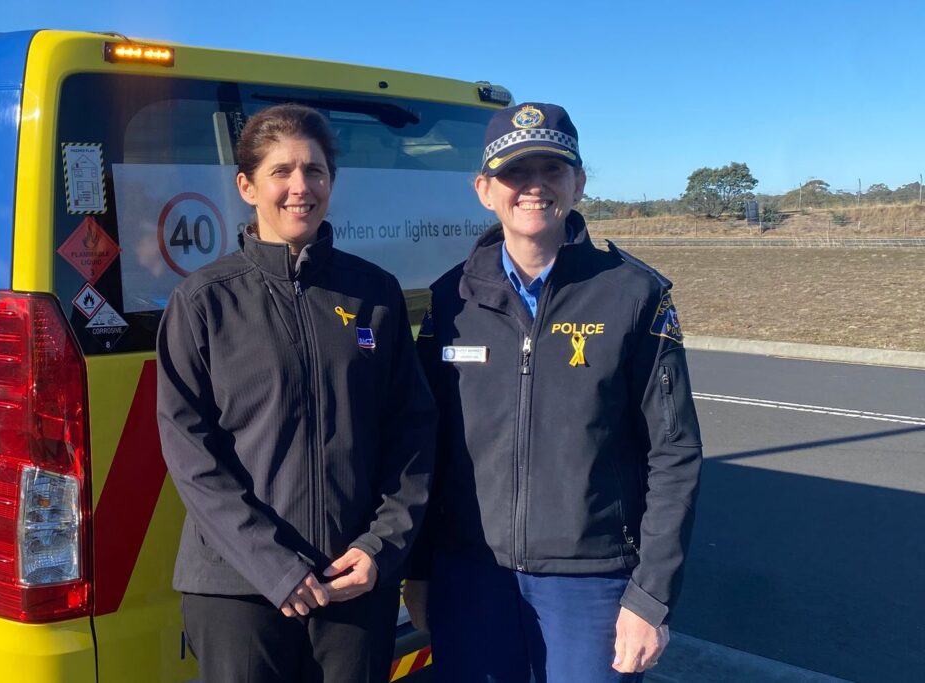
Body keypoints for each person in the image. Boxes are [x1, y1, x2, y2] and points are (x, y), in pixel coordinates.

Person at [404, 102, 703, 682]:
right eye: (515, 172)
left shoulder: (634, 295)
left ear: (579, 183)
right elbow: (424, 448)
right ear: (484, 190)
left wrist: (651, 595)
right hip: (470, 574)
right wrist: (419, 567)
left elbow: (674, 454)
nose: (534, 187)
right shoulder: (449, 300)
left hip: (592, 584)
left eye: (552, 169)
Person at [156, 104, 436, 683]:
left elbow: (411, 433)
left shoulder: (374, 294)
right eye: (281, 171)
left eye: (315, 171)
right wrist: (273, 567)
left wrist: (382, 548)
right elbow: (191, 455)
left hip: (351, 581)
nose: (300, 187)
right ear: (246, 187)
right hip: (238, 589)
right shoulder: (204, 301)